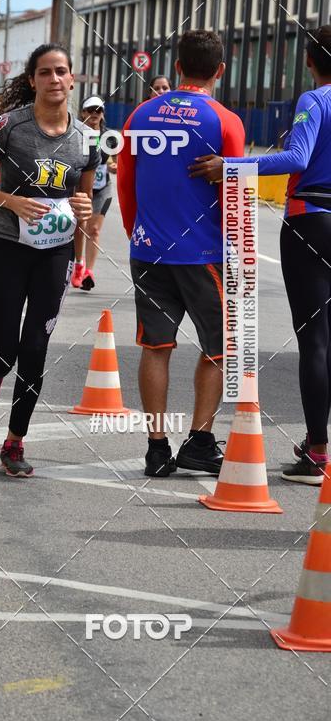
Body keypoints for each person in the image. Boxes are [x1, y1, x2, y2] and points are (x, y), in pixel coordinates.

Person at [190, 25, 331, 486]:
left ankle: (316, 451)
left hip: (312, 219)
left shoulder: (315, 100)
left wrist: (231, 166)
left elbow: (295, 158)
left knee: (316, 340)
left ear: (310, 62)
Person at [0, 43, 97, 477]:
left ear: (72, 79)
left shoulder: (87, 141)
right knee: (3, 351)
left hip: (52, 253)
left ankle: (14, 442)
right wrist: (11, 202)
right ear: (33, 80)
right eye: (45, 72)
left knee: (36, 349)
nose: (55, 79)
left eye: (61, 71)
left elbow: (85, 199)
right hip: (7, 248)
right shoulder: (10, 127)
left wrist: (84, 212)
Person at [117, 30, 245, 478]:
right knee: (217, 350)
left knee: (156, 347)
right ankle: (200, 440)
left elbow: (126, 182)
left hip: (149, 249)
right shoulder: (225, 120)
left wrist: (138, 232)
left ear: (175, 68)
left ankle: (156, 448)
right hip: (204, 252)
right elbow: (236, 192)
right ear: (220, 70)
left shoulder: (140, 114)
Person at [71, 95, 118, 291]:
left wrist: (115, 166)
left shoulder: (109, 136)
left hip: (102, 188)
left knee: (94, 230)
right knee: (80, 227)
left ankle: (89, 272)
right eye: (90, 110)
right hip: (80, 187)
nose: (94, 114)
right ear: (83, 113)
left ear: (103, 114)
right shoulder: (75, 134)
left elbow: (117, 161)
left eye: (98, 110)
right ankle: (78, 264)